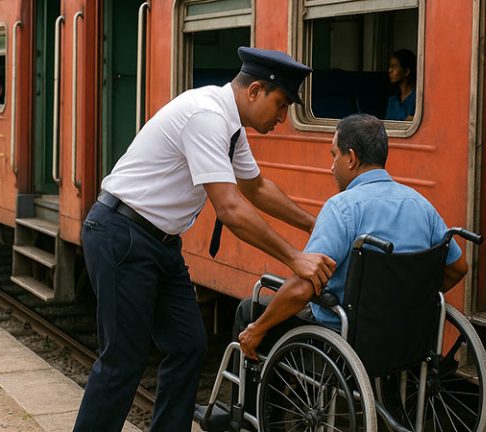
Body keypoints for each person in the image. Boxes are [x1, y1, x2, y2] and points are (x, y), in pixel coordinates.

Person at [73, 47, 336, 432]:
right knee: (122, 361)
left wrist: (314, 224)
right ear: (255, 90)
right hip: (122, 236)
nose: (282, 117)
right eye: (280, 105)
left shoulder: (230, 126)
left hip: (159, 244)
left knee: (188, 345)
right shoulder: (207, 116)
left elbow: (257, 188)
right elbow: (230, 208)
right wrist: (295, 257)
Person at [237, 113, 468, 361]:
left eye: (334, 155)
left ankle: (261, 399)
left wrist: (257, 329)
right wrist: (409, 302)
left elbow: (301, 288)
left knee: (248, 310)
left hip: (344, 340)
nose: (331, 166)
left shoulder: (342, 208)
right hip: (406, 335)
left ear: (352, 158)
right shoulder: (421, 205)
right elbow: (458, 268)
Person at [385, 49, 417, 121]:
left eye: (395, 66)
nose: (390, 70)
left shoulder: (417, 99)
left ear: (406, 71)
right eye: (390, 66)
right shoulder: (392, 101)